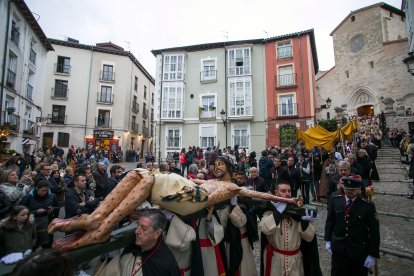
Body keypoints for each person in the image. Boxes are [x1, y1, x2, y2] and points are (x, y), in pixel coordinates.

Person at [96, 208, 179, 276]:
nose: (137, 231)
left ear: (157, 233)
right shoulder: (129, 247)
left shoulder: (165, 266)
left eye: (144, 228)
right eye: (138, 225)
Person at [324, 176, 380, 276]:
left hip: (358, 251)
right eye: (346, 189)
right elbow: (330, 221)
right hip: (338, 248)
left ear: (358, 190)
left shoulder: (367, 205)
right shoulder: (335, 199)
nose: (348, 192)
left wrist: (372, 254)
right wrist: (328, 240)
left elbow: (374, 231)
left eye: (352, 190)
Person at [260, 181, 317, 276]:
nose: (287, 194)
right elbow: (265, 229)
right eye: (283, 191)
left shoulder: (297, 213)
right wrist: (278, 212)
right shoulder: (269, 212)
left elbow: (309, 237)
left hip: (294, 262)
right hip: (275, 261)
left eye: (289, 191)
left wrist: (304, 222)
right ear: (276, 193)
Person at [20, 180, 59, 249]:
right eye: (42, 190)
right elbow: (20, 211)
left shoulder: (52, 196)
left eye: (46, 190)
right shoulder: (28, 197)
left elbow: (57, 207)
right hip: (32, 223)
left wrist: (52, 209)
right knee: (33, 245)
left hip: (47, 222)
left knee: (48, 244)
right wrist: (36, 212)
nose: (44, 192)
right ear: (37, 188)